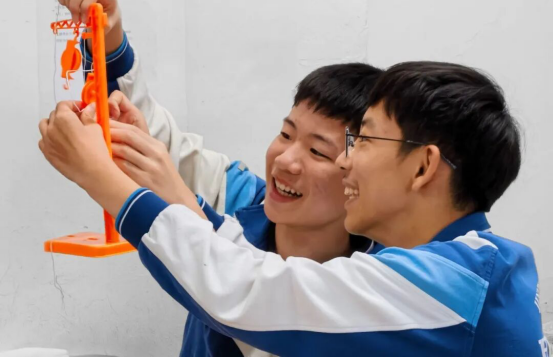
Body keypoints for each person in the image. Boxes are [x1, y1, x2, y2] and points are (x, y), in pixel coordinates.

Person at [39, 60, 550, 356]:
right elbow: (253, 270)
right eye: (286, 134)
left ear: (422, 167)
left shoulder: (455, 279)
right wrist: (163, 183)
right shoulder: (456, 268)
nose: (347, 162)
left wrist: (103, 180)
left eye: (362, 140)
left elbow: (255, 292)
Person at [56, 0, 382, 356]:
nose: (285, 160)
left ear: (360, 176)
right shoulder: (242, 198)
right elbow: (160, 143)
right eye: (286, 133)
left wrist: (159, 196)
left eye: (318, 152)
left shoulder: (370, 288)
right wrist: (108, 38)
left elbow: (255, 305)